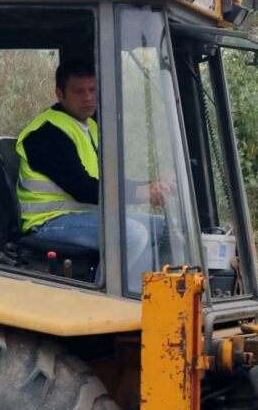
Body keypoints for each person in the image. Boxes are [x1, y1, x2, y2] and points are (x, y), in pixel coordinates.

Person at [15, 58, 169, 274]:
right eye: (79, 91)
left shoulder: (90, 127)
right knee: (132, 234)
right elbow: (82, 187)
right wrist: (141, 193)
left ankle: (140, 296)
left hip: (85, 217)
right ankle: (102, 301)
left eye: (92, 90)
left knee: (168, 229)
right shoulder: (46, 133)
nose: (88, 98)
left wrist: (154, 186)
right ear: (60, 94)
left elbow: (106, 181)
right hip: (49, 223)